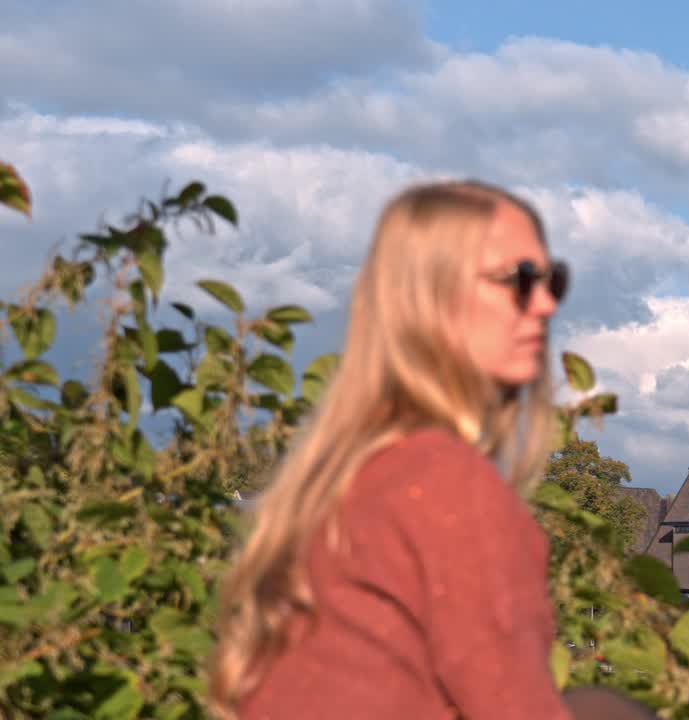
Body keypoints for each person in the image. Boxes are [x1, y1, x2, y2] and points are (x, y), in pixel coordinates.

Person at [207, 181, 652, 719]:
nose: (545, 304)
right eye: (520, 281)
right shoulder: (447, 488)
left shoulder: (347, 477)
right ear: (431, 299)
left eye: (553, 280)